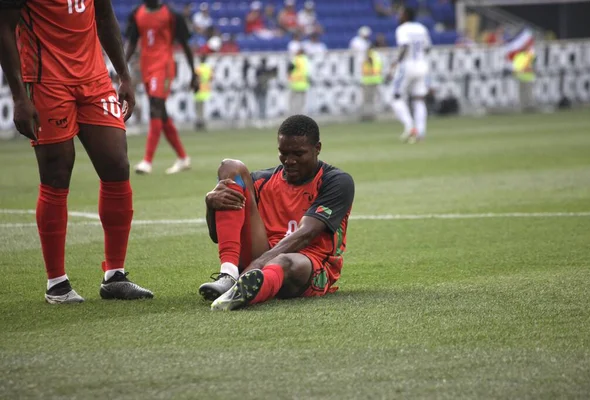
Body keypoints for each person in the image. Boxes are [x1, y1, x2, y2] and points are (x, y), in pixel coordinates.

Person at [0, 0, 154, 303]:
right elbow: (4, 25)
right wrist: (19, 95)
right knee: (57, 171)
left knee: (117, 164)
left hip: (94, 78)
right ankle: (56, 283)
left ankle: (115, 276)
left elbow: (105, 13)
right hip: (46, 79)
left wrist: (123, 74)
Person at [198, 115, 355, 311]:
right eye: (283, 153)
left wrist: (258, 264)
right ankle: (229, 276)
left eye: (298, 153)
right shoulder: (261, 181)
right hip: (259, 256)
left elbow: (307, 233)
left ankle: (242, 294)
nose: (289, 161)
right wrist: (211, 204)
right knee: (231, 167)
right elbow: (218, 235)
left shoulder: (336, 182)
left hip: (309, 264)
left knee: (285, 261)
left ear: (317, 148)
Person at [125, 0, 199, 175]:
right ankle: (182, 158)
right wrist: (122, 68)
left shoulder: (172, 15)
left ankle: (147, 161)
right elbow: (132, 42)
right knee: (162, 114)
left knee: (155, 108)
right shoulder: (137, 14)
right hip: (146, 67)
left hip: (164, 67)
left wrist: (193, 74)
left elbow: (185, 45)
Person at [387, 7, 431, 143]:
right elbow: (428, 47)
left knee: (394, 97)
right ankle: (421, 132)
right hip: (422, 65)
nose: (398, 16)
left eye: (400, 13)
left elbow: (404, 46)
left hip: (407, 66)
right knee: (419, 99)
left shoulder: (402, 29)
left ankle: (410, 127)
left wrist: (395, 65)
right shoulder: (422, 28)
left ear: (405, 15)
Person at [360, 45, 383, 121]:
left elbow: (370, 62)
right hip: (375, 79)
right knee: (372, 100)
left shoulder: (370, 54)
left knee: (367, 100)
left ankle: (367, 116)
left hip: (369, 79)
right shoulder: (377, 55)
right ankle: (371, 115)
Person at [288, 48, 310, 115]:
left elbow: (289, 69)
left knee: (293, 100)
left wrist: (289, 77)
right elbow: (308, 72)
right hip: (303, 83)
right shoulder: (306, 60)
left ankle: (293, 114)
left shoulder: (295, 59)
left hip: (295, 82)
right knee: (302, 101)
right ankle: (301, 114)